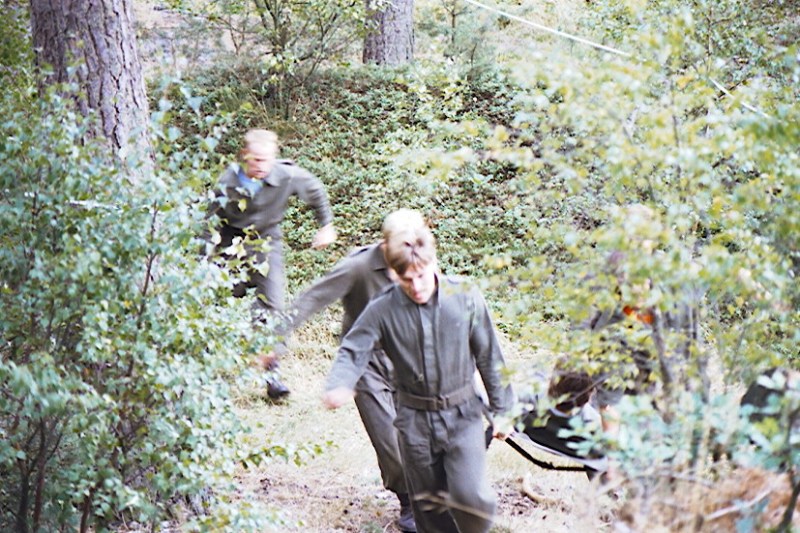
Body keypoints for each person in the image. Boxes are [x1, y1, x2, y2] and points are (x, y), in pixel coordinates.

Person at [324, 220, 513, 533]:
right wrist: (340, 383)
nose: (416, 286)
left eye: (421, 275)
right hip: (414, 423)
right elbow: (354, 349)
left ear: (433, 261)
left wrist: (504, 410)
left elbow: (490, 356)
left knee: (473, 499)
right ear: (393, 274)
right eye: (406, 279)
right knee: (429, 511)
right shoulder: (382, 308)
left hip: (462, 415)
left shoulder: (465, 297)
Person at [264, 209, 426, 532]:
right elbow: (312, 298)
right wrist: (274, 339)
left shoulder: (420, 262)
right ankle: (408, 500)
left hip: (407, 358)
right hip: (365, 361)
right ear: (386, 243)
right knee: (388, 437)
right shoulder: (358, 267)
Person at [207, 129, 337, 398]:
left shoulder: (286, 175)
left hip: (267, 243)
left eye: (267, 159)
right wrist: (203, 257)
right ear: (245, 156)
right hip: (231, 243)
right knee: (214, 299)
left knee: (273, 305)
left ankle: (272, 375)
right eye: (256, 159)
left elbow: (314, 189)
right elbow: (207, 220)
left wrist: (326, 225)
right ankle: (205, 370)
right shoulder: (228, 181)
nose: (262, 166)